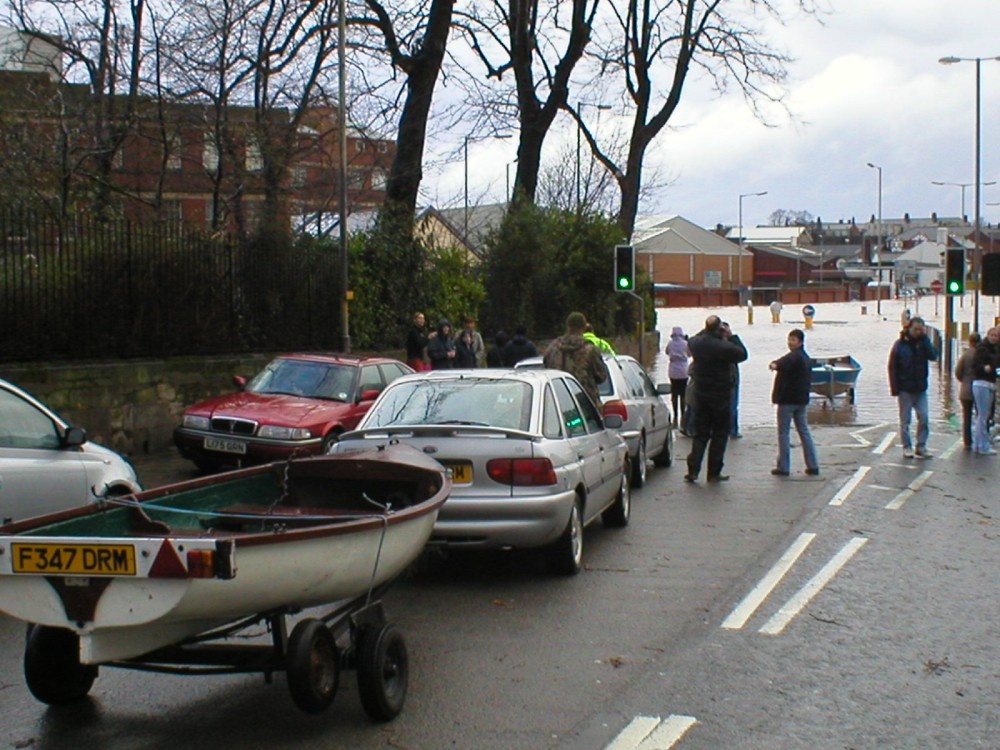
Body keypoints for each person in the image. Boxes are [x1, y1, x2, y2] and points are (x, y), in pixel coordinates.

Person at [684, 315, 748, 483]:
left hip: (701, 393)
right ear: (720, 329)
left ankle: (693, 470)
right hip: (721, 395)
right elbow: (742, 354)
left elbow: (694, 338)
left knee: (701, 434)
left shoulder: (696, 343)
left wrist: (709, 330)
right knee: (720, 434)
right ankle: (713, 472)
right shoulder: (724, 347)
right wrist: (731, 335)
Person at [768, 329, 820, 476]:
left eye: (793, 340)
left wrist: (774, 365)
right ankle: (813, 465)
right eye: (789, 339)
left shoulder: (794, 357)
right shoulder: (805, 357)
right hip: (801, 400)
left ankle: (783, 467)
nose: (790, 342)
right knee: (804, 431)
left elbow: (782, 362)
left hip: (787, 401)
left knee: (783, 433)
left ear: (800, 342)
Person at [887, 316, 938, 458]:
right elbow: (892, 367)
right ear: (909, 328)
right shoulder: (899, 345)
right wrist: (894, 388)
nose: (918, 332)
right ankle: (906, 446)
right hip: (905, 388)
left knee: (924, 417)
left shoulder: (923, 343)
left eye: (921, 329)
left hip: (920, 388)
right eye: (916, 329)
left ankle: (921, 446)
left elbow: (934, 356)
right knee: (905, 421)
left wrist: (926, 341)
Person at [543, 311, 607, 407]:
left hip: (558, 403)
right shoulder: (590, 350)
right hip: (586, 403)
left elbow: (545, 369)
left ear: (567, 326)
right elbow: (601, 376)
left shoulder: (552, 349)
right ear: (584, 328)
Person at [970, 326, 999, 455]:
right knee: (982, 415)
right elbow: (975, 366)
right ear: (987, 335)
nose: (994, 338)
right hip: (981, 383)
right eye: (992, 335)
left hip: (991, 383)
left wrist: (996, 372)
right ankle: (982, 445)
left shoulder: (997, 349)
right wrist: (984, 368)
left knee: (984, 415)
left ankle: (978, 443)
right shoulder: (981, 348)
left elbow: (997, 368)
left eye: (996, 336)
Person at [954, 332, 982, 449]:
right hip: (980, 389)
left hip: (966, 390)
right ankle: (980, 439)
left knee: (967, 417)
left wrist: (964, 380)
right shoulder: (982, 355)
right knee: (981, 415)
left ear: (970, 342)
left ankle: (967, 441)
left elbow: (958, 372)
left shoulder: (965, 355)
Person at [665, 326, 691, 428]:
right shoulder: (685, 344)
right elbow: (689, 354)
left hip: (673, 370)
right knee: (683, 393)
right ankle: (683, 415)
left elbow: (667, 352)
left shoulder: (670, 344)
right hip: (684, 370)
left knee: (674, 393)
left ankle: (675, 415)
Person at [724, 321, 743, 438]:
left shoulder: (729, 344)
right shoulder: (728, 345)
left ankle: (732, 430)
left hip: (730, 379)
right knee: (732, 406)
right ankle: (732, 430)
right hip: (729, 379)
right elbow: (743, 353)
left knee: (732, 406)